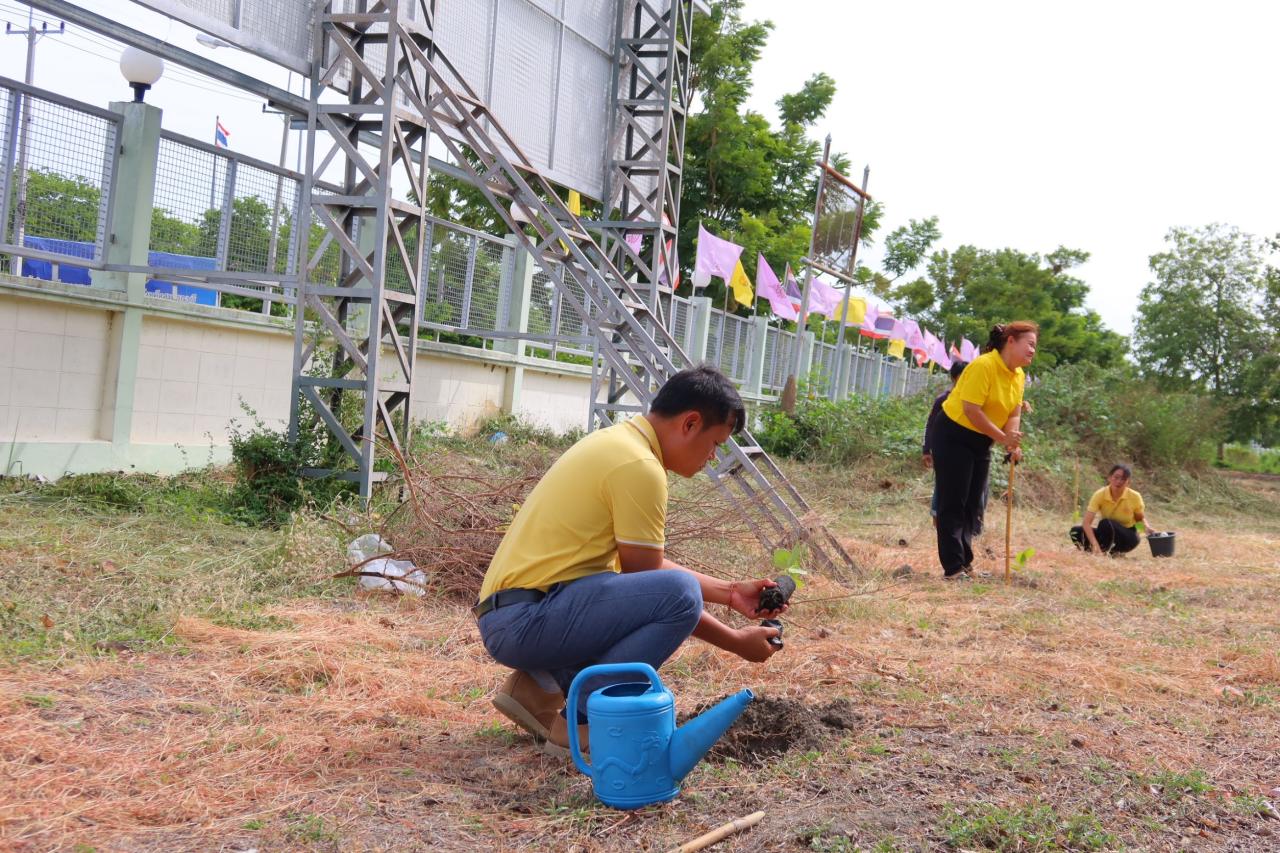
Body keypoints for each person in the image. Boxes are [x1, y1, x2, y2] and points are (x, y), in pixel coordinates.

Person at [474, 366, 788, 756]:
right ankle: (587, 720)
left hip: (515, 613)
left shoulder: (618, 444)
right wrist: (736, 640)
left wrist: (730, 593)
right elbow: (665, 588)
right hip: (525, 621)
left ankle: (538, 687)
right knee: (680, 593)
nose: (712, 457)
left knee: (658, 593)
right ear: (690, 423)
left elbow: (636, 581)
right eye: (715, 443)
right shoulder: (640, 466)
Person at [931, 322, 1038, 579]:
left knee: (972, 505)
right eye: (1030, 344)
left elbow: (1013, 412)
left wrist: (1012, 440)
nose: (1033, 351)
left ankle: (965, 561)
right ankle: (953, 568)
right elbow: (972, 410)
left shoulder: (1018, 375)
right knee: (953, 502)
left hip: (982, 440)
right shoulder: (984, 365)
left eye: (1035, 346)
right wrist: (1002, 437)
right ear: (1010, 341)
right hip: (954, 434)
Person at [1070, 464, 1158, 555]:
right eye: (1116, 477)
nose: (1119, 481)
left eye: (1123, 479)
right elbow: (1086, 523)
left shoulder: (1135, 496)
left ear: (1128, 482)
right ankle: (1100, 550)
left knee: (1105, 524)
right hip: (1107, 534)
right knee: (1076, 531)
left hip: (1128, 537)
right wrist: (1095, 545)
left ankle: (1107, 551)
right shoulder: (1100, 494)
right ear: (1109, 478)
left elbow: (1138, 519)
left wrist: (1146, 529)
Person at [923, 359, 969, 525]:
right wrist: (927, 450)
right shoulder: (942, 400)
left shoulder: (971, 401)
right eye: (964, 376)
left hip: (964, 451)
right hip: (943, 449)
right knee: (943, 484)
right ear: (955, 378)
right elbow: (930, 425)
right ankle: (937, 517)